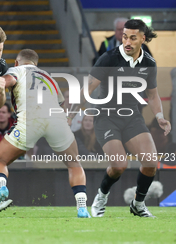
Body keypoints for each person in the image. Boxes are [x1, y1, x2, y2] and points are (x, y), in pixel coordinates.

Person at [69, 19, 171, 218]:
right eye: (125, 37)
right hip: (106, 117)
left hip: (132, 117)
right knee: (118, 165)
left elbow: (152, 95)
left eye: (133, 38)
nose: (127, 42)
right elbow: (87, 89)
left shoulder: (149, 63)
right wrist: (70, 116)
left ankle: (138, 204)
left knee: (151, 163)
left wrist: (159, 117)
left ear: (142, 38)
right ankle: (101, 196)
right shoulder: (109, 58)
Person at [0, 49, 91, 218]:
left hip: (30, 121)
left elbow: (5, 81)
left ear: (17, 62)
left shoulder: (16, 70)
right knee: (74, 164)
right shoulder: (48, 77)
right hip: (56, 120)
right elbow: (60, 102)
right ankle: (82, 208)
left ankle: (1, 188)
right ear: (36, 64)